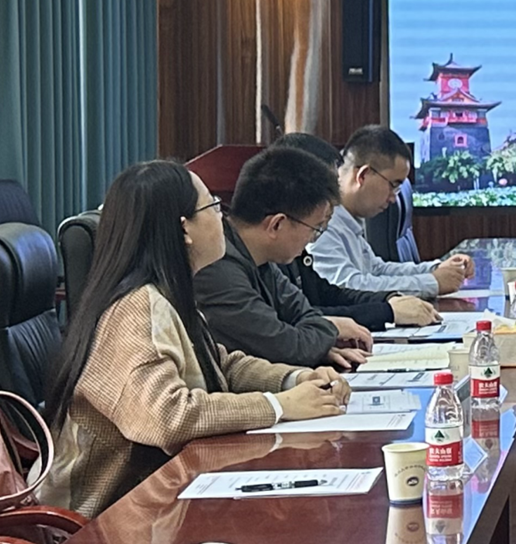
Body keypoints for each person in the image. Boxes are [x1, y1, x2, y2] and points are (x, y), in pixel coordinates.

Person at [41, 161, 351, 518]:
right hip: (108, 519)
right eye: (213, 207)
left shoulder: (168, 293)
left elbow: (219, 364)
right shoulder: (137, 309)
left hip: (165, 497)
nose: (223, 218)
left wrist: (294, 380)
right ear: (184, 228)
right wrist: (279, 406)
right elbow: (166, 417)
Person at [193, 146, 376, 369]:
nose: (313, 239)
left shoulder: (262, 260)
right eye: (315, 228)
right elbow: (287, 347)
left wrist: (317, 342)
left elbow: (304, 312)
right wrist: (330, 330)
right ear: (277, 224)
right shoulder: (217, 269)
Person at [271, 133, 439, 331]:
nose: (335, 201)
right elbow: (296, 320)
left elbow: (329, 294)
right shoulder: (263, 261)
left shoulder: (293, 250)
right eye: (328, 192)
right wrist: (387, 310)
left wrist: (389, 300)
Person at [309, 125, 473, 298]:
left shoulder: (348, 219)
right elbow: (346, 287)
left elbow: (377, 270)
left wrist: (436, 269)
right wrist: (432, 282)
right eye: (393, 185)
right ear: (363, 175)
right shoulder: (321, 223)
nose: (394, 198)